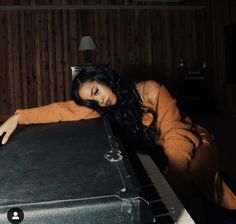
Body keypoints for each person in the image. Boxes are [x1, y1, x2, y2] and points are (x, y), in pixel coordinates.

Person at [0, 66, 236, 211]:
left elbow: (177, 136)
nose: (99, 100)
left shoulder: (151, 90)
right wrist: (19, 117)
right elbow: (65, 110)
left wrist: (171, 185)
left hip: (195, 143)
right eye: (91, 100)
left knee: (195, 179)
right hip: (160, 151)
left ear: (105, 79)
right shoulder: (104, 106)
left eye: (96, 91)